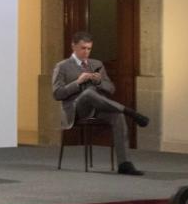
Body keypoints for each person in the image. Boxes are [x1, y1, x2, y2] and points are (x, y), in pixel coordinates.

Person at [52, 31, 149, 175]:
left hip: (97, 107)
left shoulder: (97, 64)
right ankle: (130, 112)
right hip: (76, 110)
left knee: (118, 116)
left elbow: (111, 88)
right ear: (73, 46)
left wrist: (99, 82)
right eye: (83, 48)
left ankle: (124, 163)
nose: (86, 52)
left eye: (89, 48)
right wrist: (78, 82)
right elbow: (57, 94)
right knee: (87, 93)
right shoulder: (62, 66)